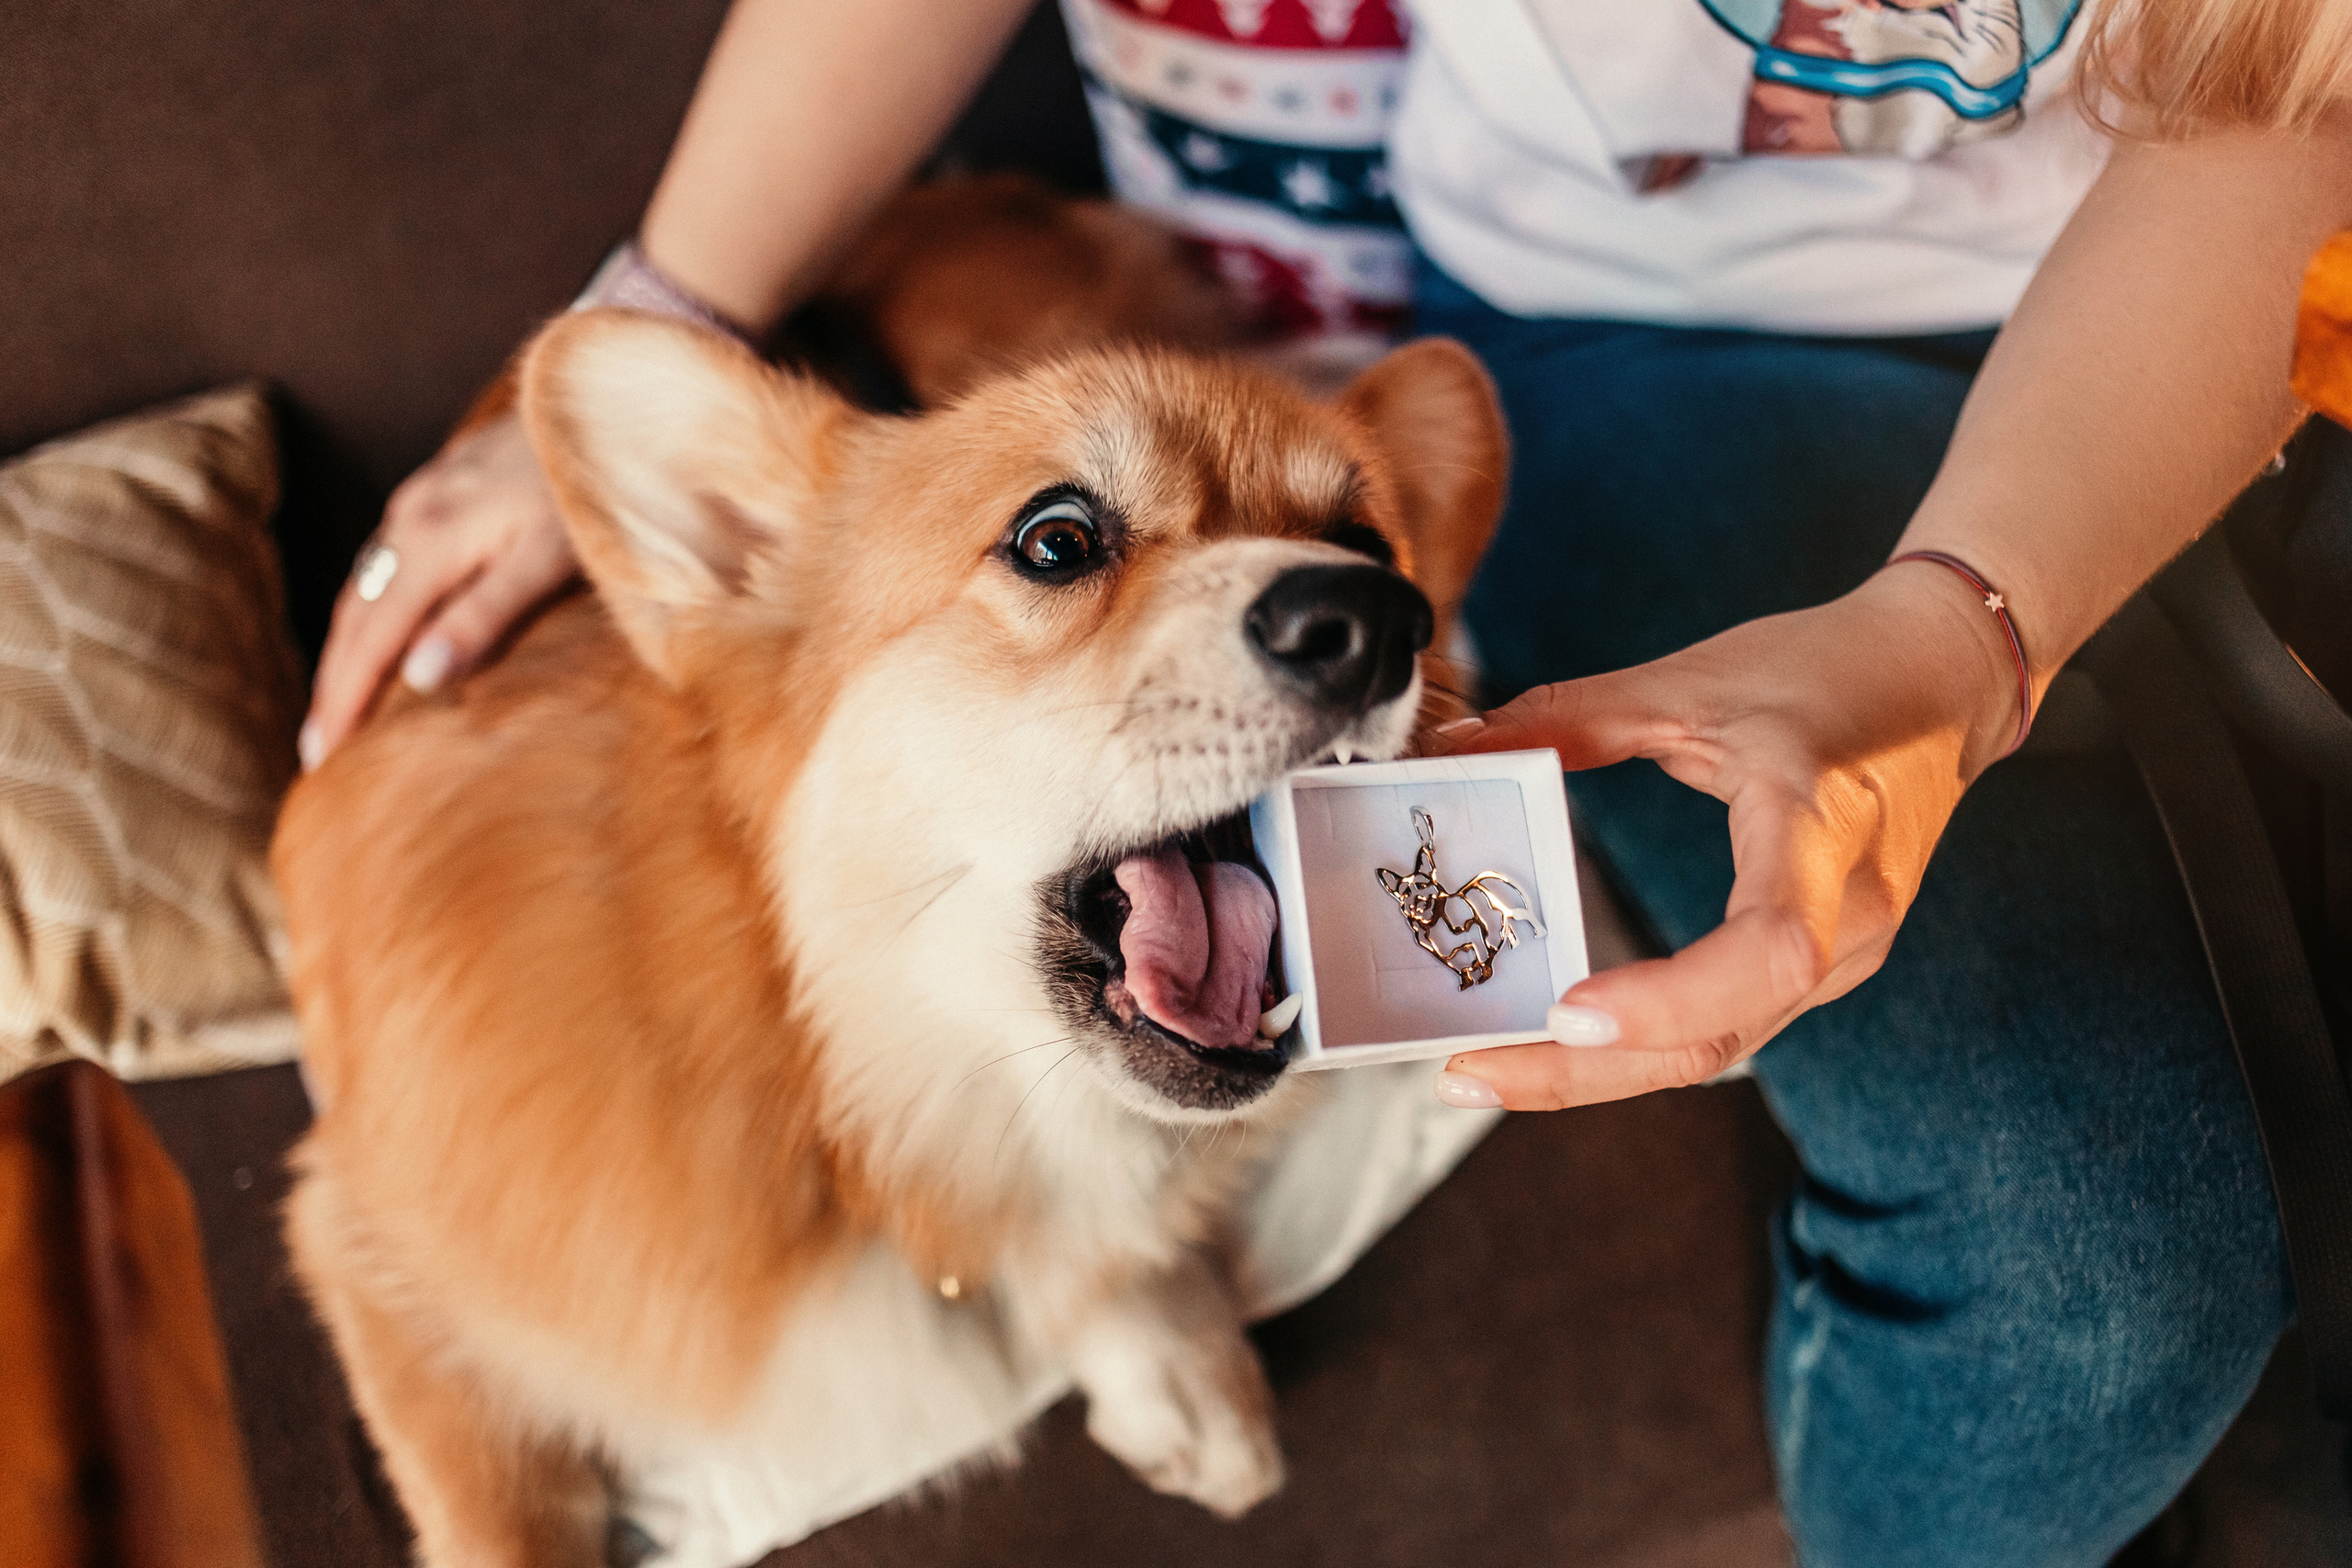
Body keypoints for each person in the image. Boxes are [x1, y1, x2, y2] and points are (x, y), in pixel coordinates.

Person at [298, 1, 2352, 1561]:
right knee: (2111, 1270)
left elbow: (2291, 102)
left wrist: (1960, 628)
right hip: (1640, 335)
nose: (1344, 618)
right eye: (1057, 554)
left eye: (1361, 581)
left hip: (2231, 318)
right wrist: (664, 302)